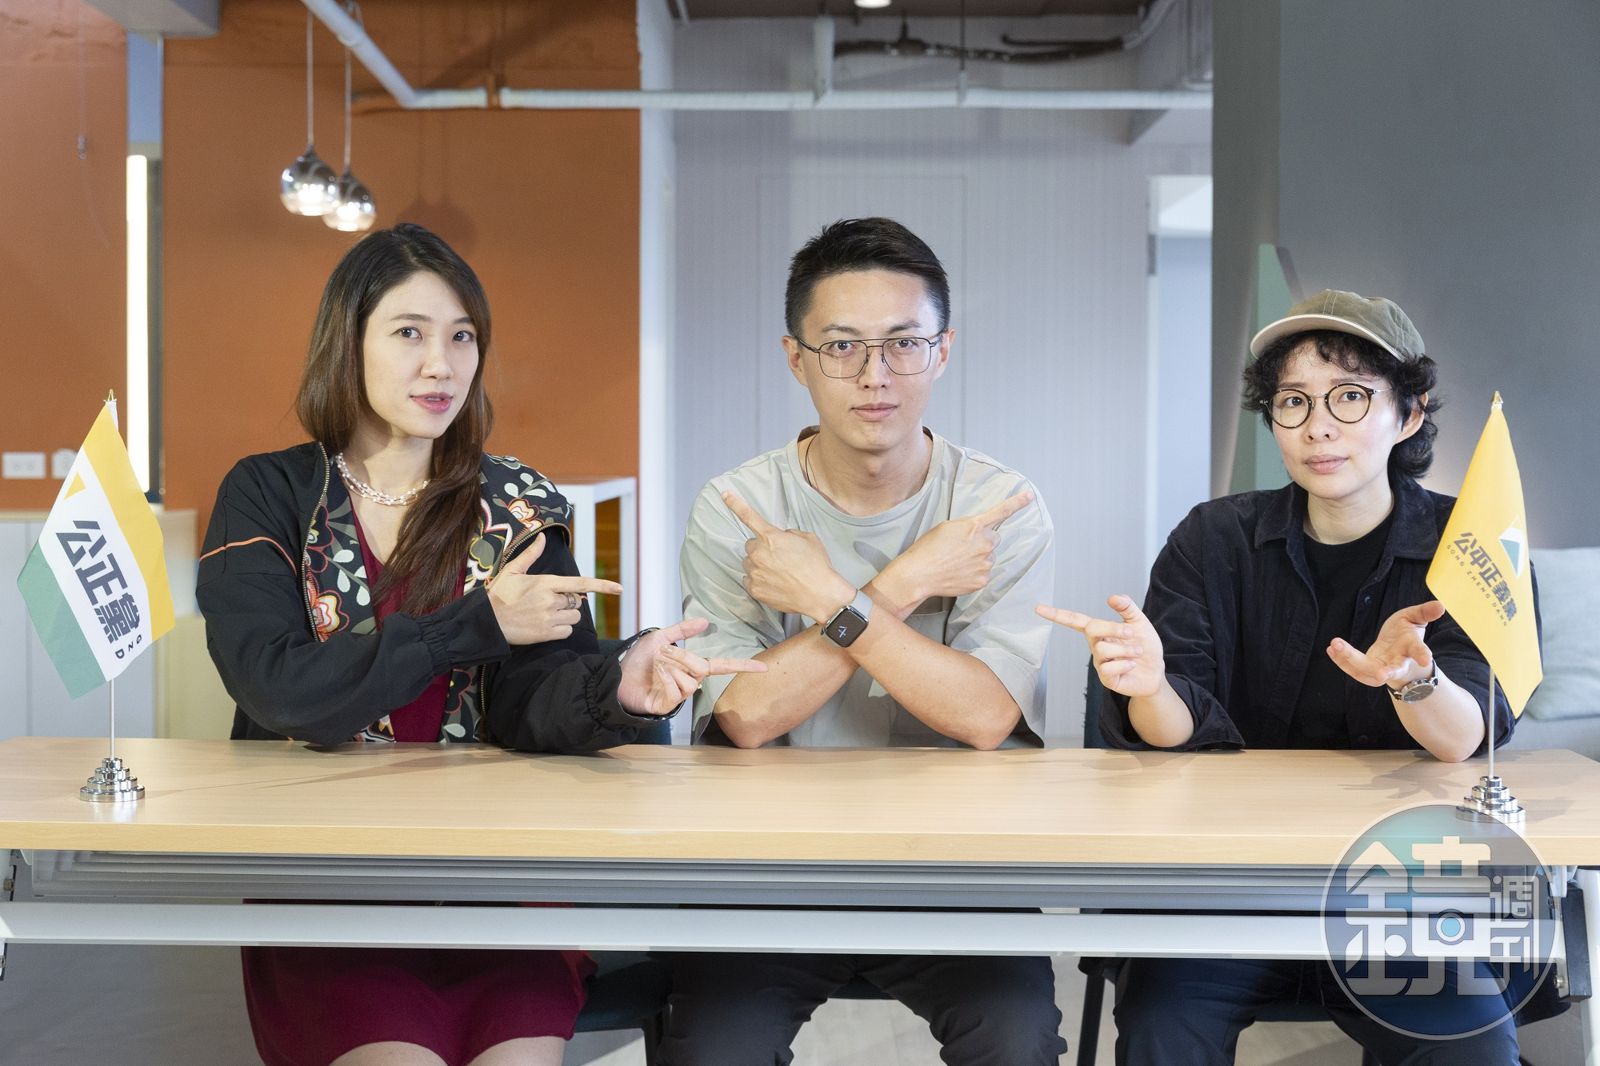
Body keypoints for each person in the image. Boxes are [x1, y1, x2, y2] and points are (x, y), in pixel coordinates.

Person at [197, 222, 761, 1066]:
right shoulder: (270, 492)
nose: (441, 364)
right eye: (410, 333)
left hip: (498, 884)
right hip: (330, 884)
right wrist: (474, 624)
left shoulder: (519, 503)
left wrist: (617, 686)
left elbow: (534, 702)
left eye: (462, 337)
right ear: (347, 343)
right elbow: (280, 691)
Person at [1039, 289, 1532, 1064]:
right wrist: (1151, 687)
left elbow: (1466, 737)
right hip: (1229, 882)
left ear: (1409, 414)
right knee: (1163, 1028)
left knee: (1470, 1045)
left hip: (1399, 893)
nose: (1318, 426)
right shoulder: (1213, 539)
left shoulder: (1465, 545)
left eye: (1350, 396)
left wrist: (1414, 678)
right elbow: (1176, 729)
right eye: (1293, 402)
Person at [667, 217, 1066, 1064]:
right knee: (710, 1049)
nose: (875, 375)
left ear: (943, 351)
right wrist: (899, 585)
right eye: (842, 346)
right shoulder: (737, 509)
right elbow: (745, 717)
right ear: (796, 359)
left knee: (1018, 1040)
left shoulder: (997, 509)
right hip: (770, 865)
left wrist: (827, 600)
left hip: (955, 866)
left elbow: (986, 717)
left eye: (903, 344)